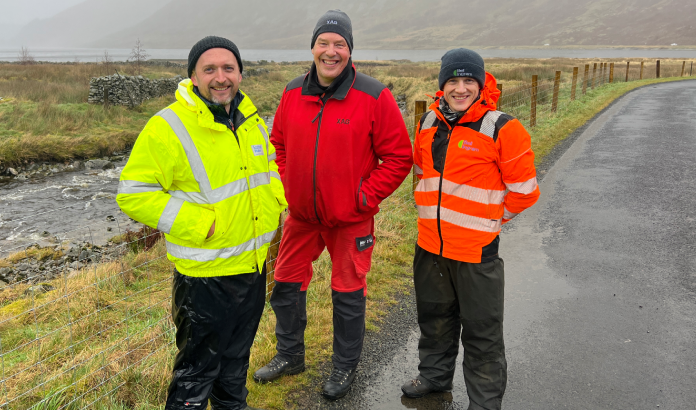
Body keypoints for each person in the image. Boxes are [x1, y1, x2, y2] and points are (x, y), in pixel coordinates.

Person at [116, 36, 286, 410]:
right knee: (196, 377)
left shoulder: (249, 119)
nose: (220, 77)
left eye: (228, 68)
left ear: (240, 73)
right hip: (205, 280)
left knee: (234, 368)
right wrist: (200, 224)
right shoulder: (168, 126)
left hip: (252, 268)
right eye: (209, 69)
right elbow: (132, 192)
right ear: (193, 76)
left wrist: (277, 202)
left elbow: (267, 167)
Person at [254, 9, 413, 401]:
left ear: (349, 50)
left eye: (339, 44)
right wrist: (290, 187)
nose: (331, 51)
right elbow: (278, 145)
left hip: (350, 219)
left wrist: (363, 197)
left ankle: (345, 366)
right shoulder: (293, 91)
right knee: (286, 284)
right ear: (312, 48)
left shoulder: (374, 96)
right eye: (323, 43)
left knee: (347, 293)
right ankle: (290, 355)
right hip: (302, 217)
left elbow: (398, 158)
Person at [403, 48, 540, 409]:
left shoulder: (502, 127)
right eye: (452, 81)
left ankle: (484, 402)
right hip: (430, 247)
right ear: (441, 85)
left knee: (482, 332)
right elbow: (421, 174)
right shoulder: (428, 123)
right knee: (434, 319)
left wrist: (492, 220)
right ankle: (434, 376)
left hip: (476, 253)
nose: (460, 89)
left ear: (480, 85)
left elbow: (525, 192)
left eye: (468, 81)